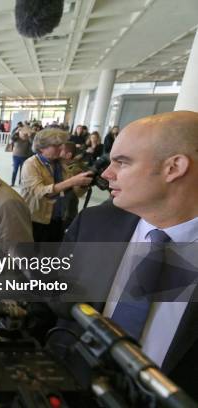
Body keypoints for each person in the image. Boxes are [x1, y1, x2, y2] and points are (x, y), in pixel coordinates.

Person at [52, 111, 198, 400]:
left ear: (174, 168)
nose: (106, 174)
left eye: (121, 162)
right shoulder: (93, 225)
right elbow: (55, 306)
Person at [20, 129, 93, 242]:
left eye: (61, 145)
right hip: (36, 218)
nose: (61, 148)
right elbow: (40, 192)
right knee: (31, 255)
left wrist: (83, 183)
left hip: (59, 216)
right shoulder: (31, 165)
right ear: (41, 148)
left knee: (52, 253)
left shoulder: (62, 163)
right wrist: (72, 181)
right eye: (56, 145)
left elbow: (76, 193)